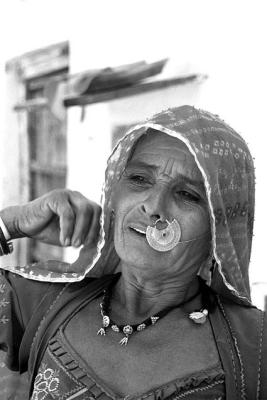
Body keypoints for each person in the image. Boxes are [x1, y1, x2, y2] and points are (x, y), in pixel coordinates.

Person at [0, 105, 266, 399]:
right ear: (114, 194)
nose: (153, 207)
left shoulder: (255, 346)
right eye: (140, 179)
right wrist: (10, 223)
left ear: (220, 229)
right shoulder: (47, 301)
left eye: (187, 195)